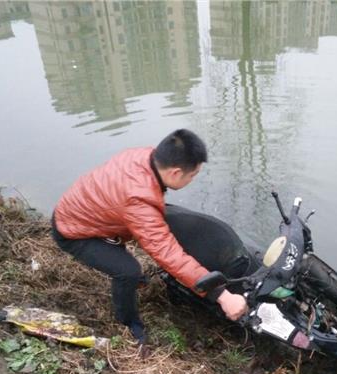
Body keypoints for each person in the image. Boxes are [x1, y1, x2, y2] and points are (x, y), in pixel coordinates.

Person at [51, 129, 248, 343]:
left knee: (149, 239)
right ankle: (129, 325)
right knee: (128, 271)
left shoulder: (144, 156)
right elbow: (167, 253)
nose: (193, 179)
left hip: (88, 213)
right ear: (175, 173)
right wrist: (221, 295)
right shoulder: (139, 201)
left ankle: (134, 281)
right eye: (192, 175)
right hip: (74, 231)